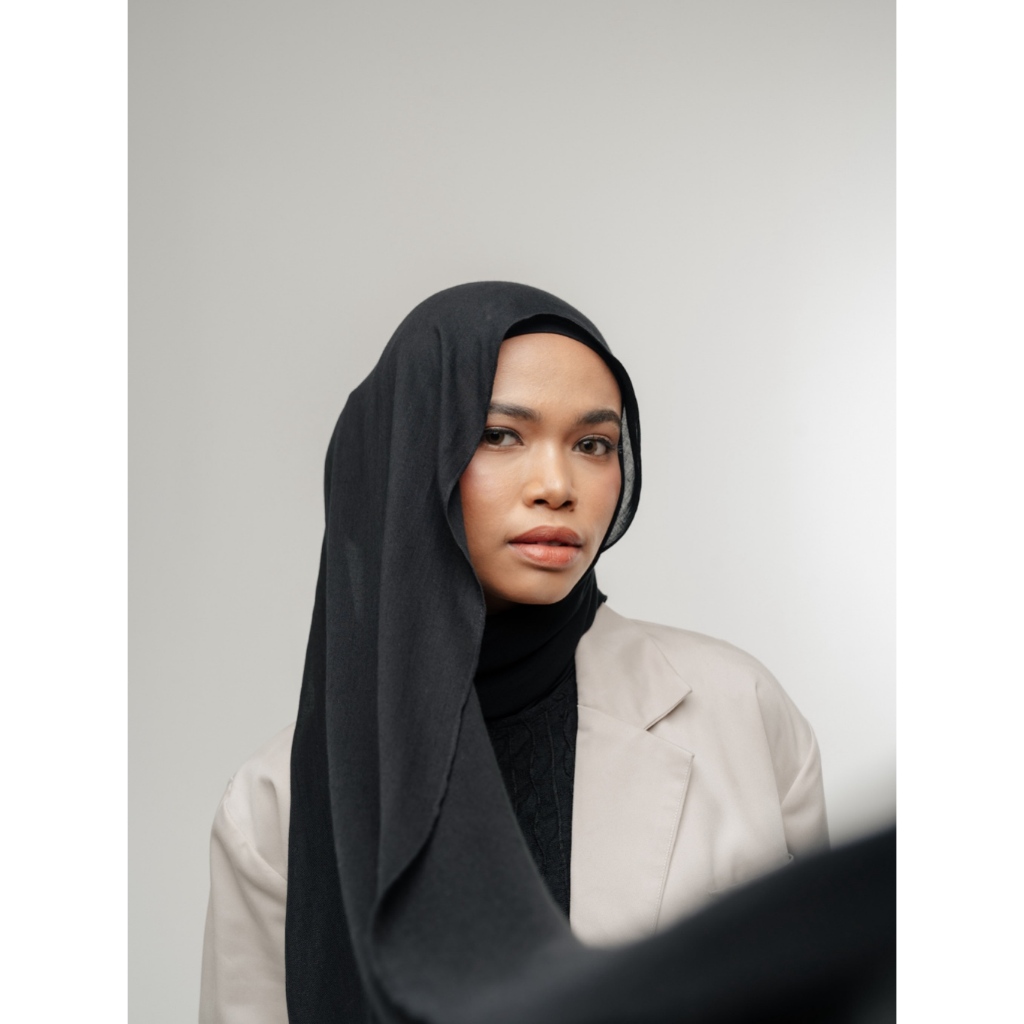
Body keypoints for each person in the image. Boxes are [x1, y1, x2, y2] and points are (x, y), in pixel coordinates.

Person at [199, 282, 834, 1023]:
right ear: (409, 455)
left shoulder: (739, 710)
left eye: (593, 444)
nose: (557, 487)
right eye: (501, 435)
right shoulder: (276, 802)